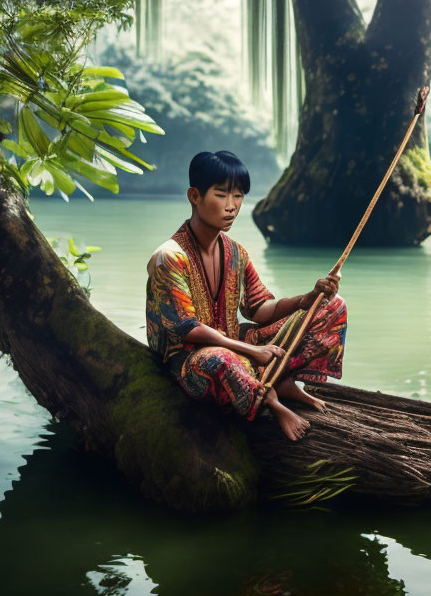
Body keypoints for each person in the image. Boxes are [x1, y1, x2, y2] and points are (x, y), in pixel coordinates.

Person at [145, 150, 348, 441]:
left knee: (330, 307)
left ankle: (282, 381)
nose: (231, 207)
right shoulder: (170, 257)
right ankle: (271, 401)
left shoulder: (237, 252)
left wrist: (306, 299)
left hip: (237, 342)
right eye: (221, 195)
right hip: (190, 361)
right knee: (220, 360)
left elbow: (259, 307)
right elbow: (187, 329)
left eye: (238, 196)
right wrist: (253, 352)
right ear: (194, 196)